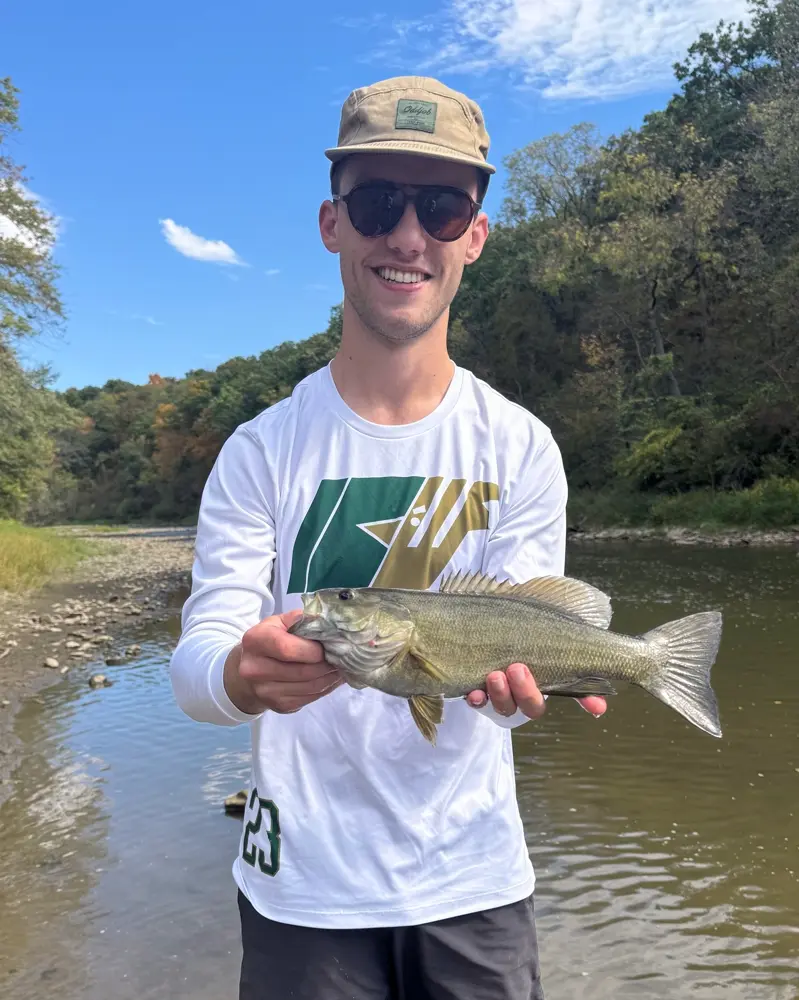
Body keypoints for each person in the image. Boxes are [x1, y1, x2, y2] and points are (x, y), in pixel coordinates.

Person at [170, 75, 607, 1000]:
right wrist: (241, 677)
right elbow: (199, 663)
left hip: (476, 880)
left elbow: (521, 662)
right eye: (379, 203)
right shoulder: (258, 452)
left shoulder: (522, 445)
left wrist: (532, 689)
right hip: (302, 895)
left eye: (443, 207)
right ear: (333, 223)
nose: (409, 236)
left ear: (475, 236)